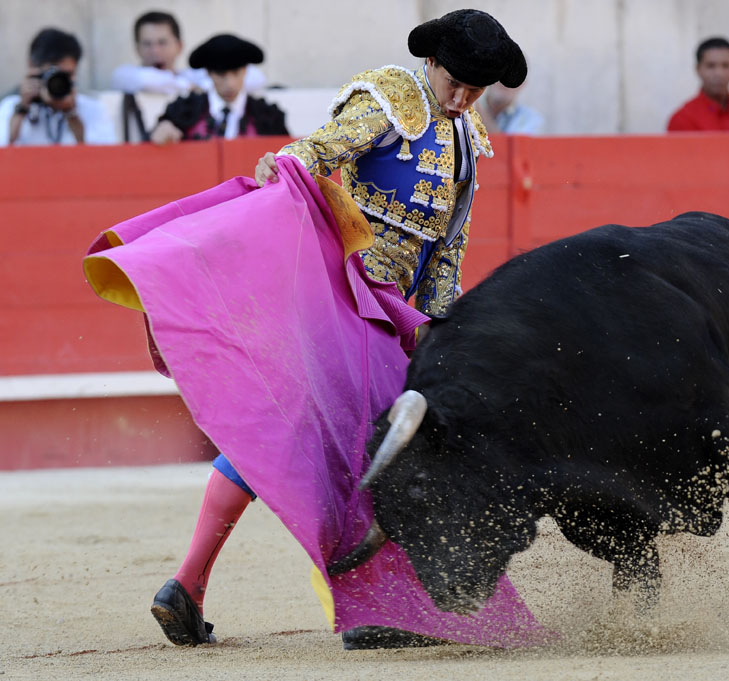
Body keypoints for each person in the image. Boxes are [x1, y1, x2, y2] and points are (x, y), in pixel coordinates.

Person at [85, 9, 546, 651]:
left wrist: (439, 329)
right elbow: (313, 153)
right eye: (458, 82)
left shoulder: (467, 138)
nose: (464, 98)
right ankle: (365, 609)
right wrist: (281, 187)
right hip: (342, 296)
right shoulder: (391, 101)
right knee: (378, 449)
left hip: (392, 316)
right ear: (433, 63)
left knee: (310, 437)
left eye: (477, 88)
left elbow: (448, 249)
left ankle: (189, 586)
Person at [149, 34, 288, 144]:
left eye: (236, 73)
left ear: (245, 71)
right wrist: (161, 130)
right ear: (209, 73)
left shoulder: (269, 116)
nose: (230, 84)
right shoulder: (182, 111)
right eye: (221, 75)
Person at [0, 28, 116, 146]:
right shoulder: (10, 108)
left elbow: (104, 157)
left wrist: (71, 114)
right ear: (32, 67)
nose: (58, 83)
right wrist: (22, 110)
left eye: (66, 75)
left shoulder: (94, 109)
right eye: (53, 74)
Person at [111, 11, 268, 96]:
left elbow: (256, 78)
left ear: (179, 46)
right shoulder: (126, 74)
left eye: (162, 43)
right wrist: (189, 88)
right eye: (147, 44)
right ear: (137, 48)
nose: (155, 50)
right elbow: (144, 80)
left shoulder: (193, 77)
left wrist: (205, 86)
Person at [475, 81, 544, 134]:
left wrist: (476, 108)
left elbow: (506, 149)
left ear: (522, 84)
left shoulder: (530, 119)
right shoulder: (466, 109)